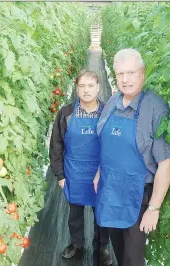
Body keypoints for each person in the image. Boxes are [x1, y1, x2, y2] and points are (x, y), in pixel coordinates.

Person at [94, 49, 170, 266]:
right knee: (119, 250)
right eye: (120, 74)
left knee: (133, 259)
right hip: (110, 191)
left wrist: (154, 208)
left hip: (137, 197)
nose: (125, 79)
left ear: (143, 73)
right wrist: (99, 173)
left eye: (130, 73)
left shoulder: (154, 108)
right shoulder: (112, 102)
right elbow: (105, 145)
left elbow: (166, 164)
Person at [49, 70, 113, 265]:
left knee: (101, 212)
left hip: (99, 173)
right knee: (75, 211)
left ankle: (101, 246)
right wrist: (60, 175)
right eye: (82, 86)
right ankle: (77, 244)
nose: (86, 90)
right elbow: (56, 145)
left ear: (98, 87)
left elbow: (113, 146)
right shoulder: (66, 113)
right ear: (76, 88)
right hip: (74, 172)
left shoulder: (107, 113)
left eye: (90, 86)